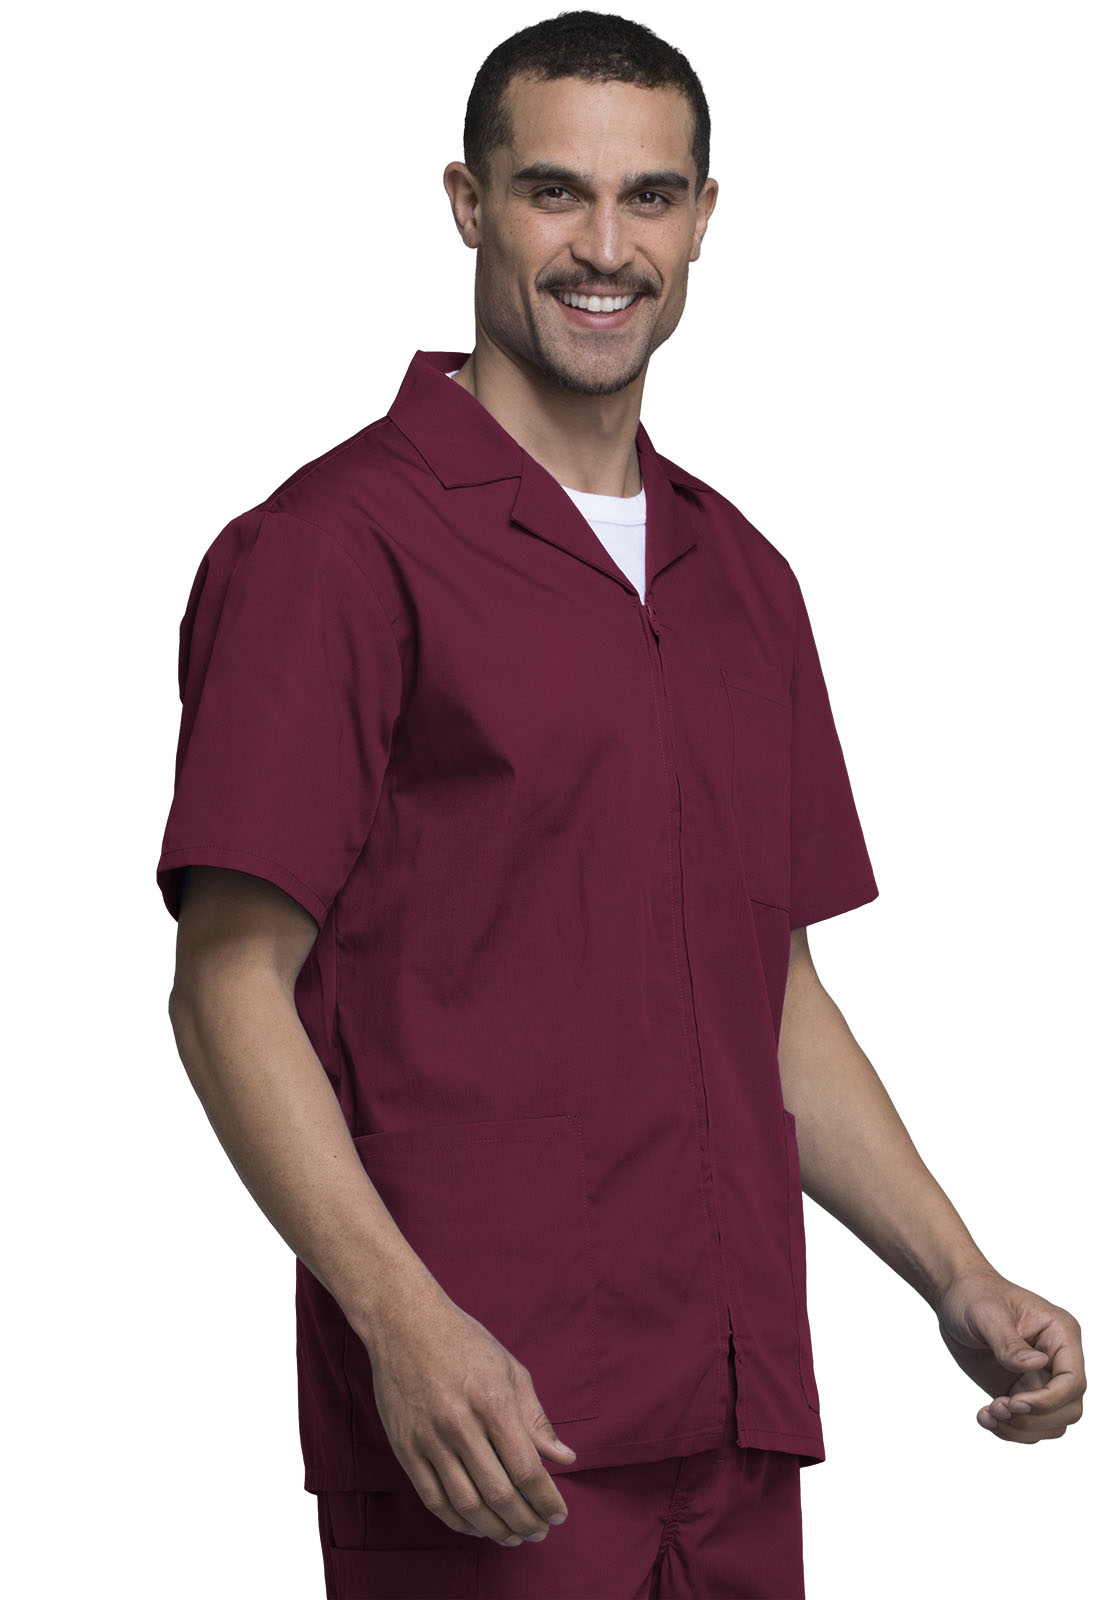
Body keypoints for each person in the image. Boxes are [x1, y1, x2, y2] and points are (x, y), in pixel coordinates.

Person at [155, 12, 1086, 1599]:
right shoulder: (333, 552)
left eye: (649, 197)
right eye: (554, 192)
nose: (605, 247)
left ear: (704, 218)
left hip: (732, 1420)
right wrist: (403, 1323)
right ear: (469, 203)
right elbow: (228, 985)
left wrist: (957, 1273)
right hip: (489, 1437)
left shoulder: (745, 581)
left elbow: (766, 992)